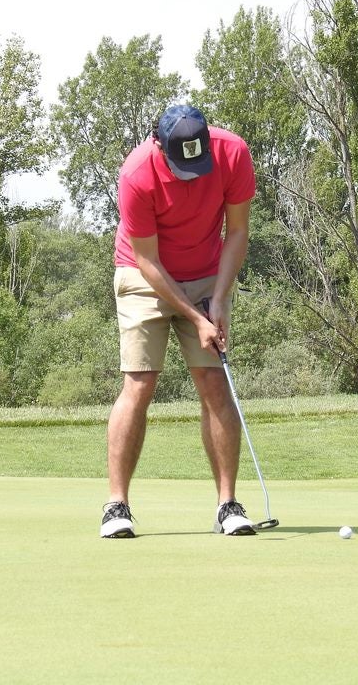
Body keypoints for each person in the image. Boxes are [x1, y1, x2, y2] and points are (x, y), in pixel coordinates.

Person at [101, 104, 257, 538]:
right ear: (159, 146)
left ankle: (228, 505)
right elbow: (147, 259)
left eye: (197, 163)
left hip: (207, 273)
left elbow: (238, 231)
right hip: (142, 273)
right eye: (181, 165)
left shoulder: (233, 153)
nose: (192, 173)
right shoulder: (136, 174)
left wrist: (220, 299)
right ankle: (117, 506)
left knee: (213, 382)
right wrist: (194, 316)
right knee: (141, 381)